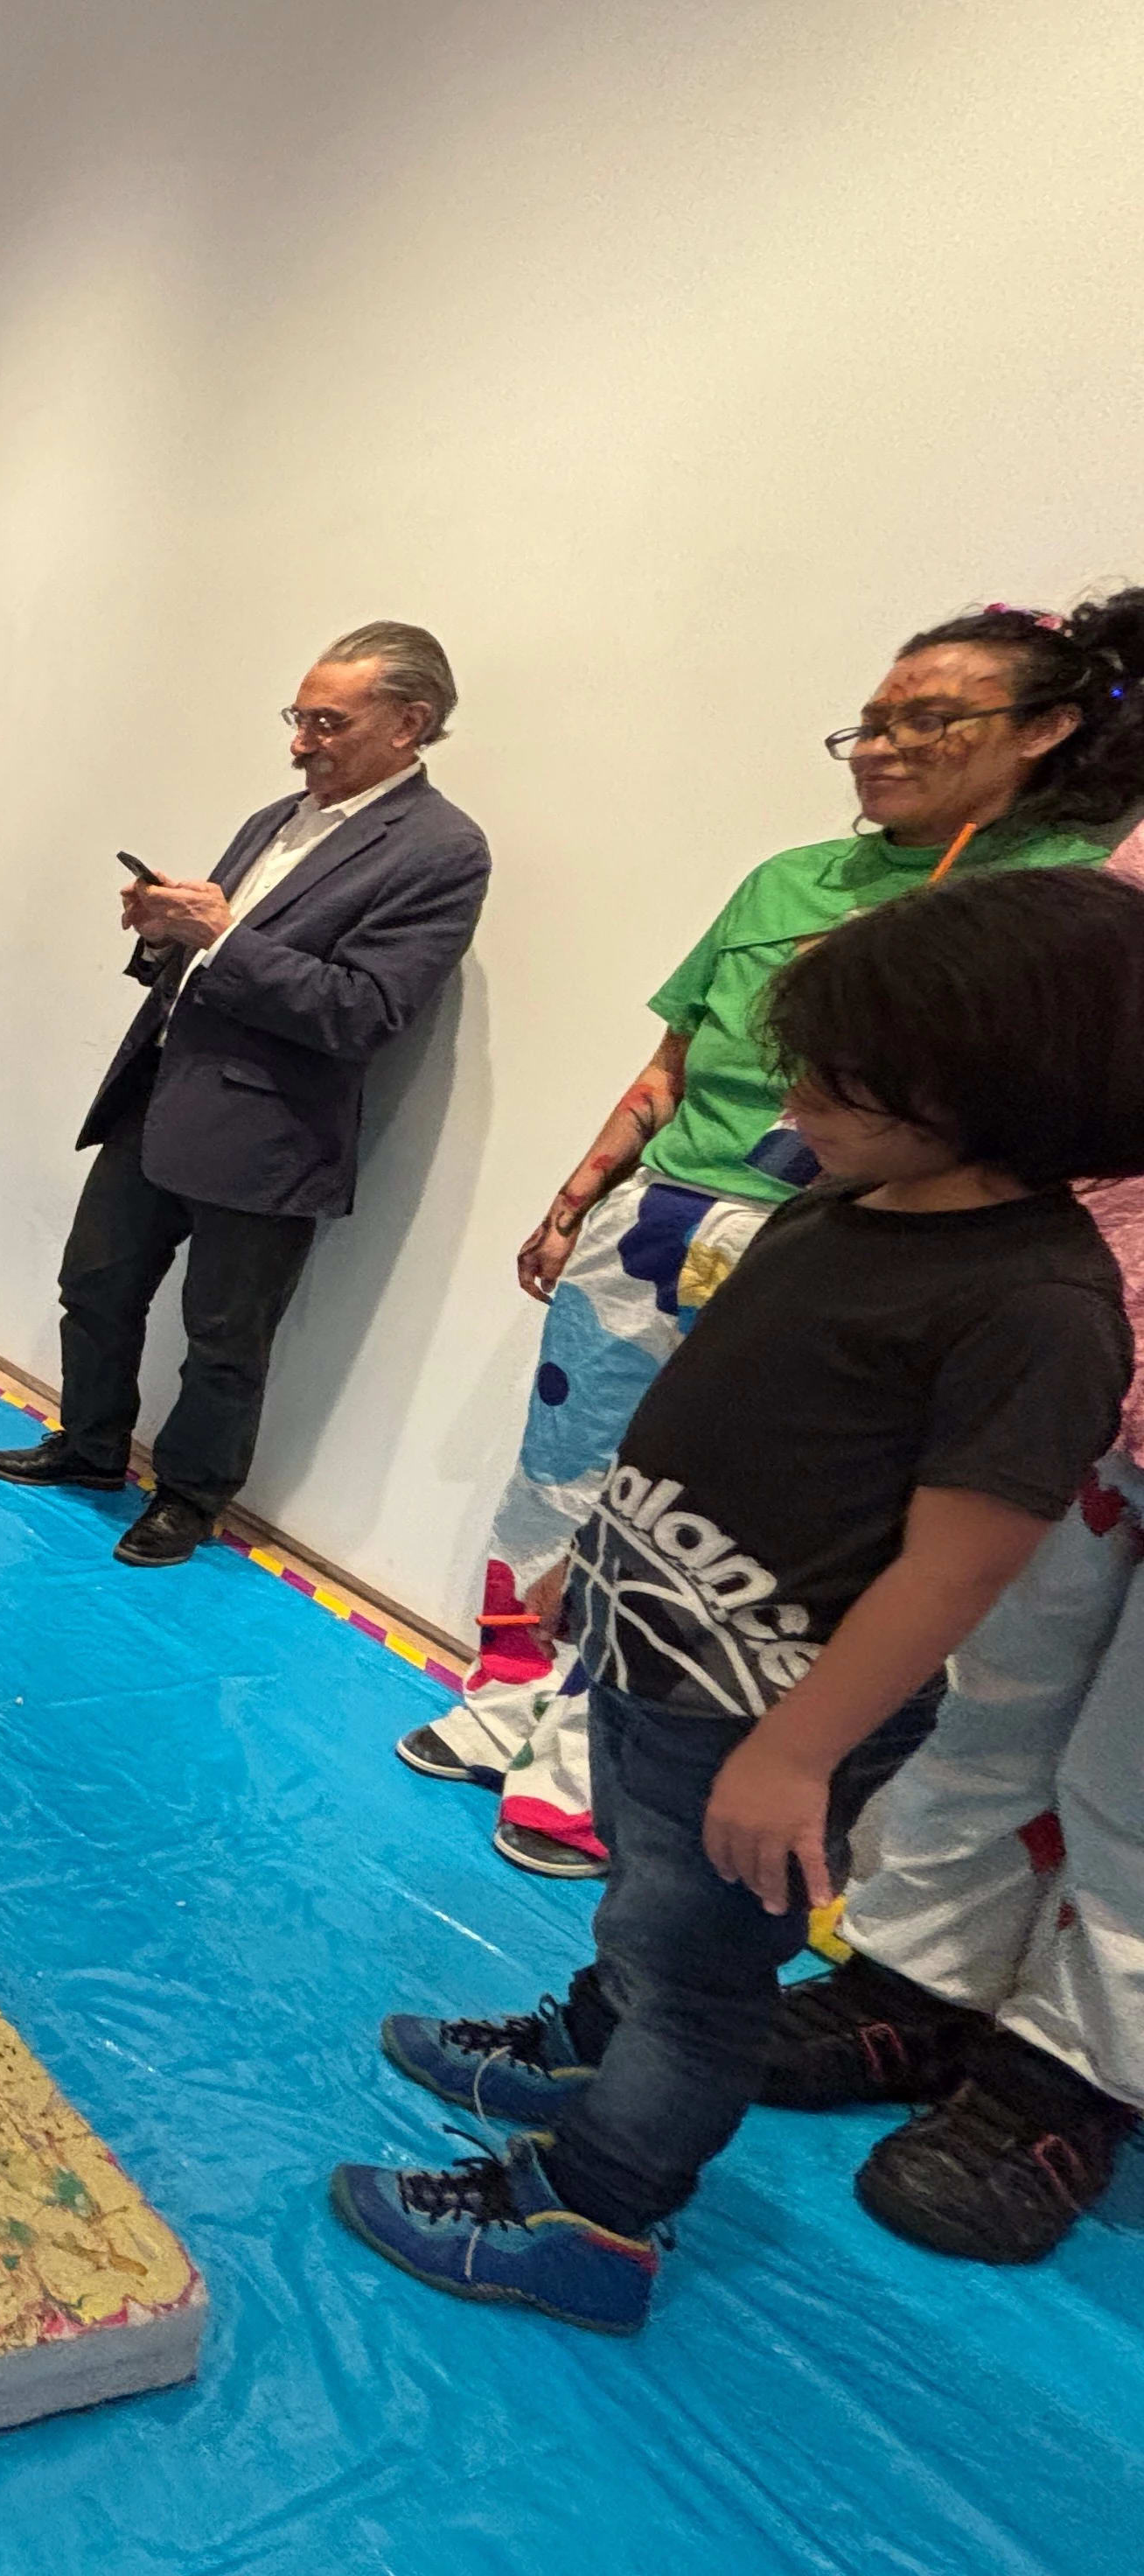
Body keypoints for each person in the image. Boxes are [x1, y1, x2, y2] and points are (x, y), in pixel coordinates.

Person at [333, 866, 1144, 2334]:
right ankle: (591, 2037)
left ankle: (595, 2208)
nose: (793, 1102)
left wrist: (797, 1750)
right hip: (666, 1651)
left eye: (839, 1079)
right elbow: (720, 1404)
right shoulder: (848, 1201)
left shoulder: (1035, 1305)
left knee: (703, 1977)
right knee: (648, 1908)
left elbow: (960, 1561)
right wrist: (606, 1559)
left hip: (768, 1709)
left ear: (994, 1088)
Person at [405, 595, 1144, 1878]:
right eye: (867, 721)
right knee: (571, 1472)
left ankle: (594, 1764)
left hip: (829, 1246)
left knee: (720, 1520)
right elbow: (679, 1054)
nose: (880, 745)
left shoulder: (1061, 904)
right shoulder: (788, 879)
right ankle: (508, 1703)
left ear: (1050, 729)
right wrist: (583, 1191)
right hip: (662, 1220)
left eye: (928, 719)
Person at [751, 820, 1144, 2265]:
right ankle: (912, 1978)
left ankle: (1068, 2073)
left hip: (1071, 1321)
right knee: (987, 1698)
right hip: (1090, 1345)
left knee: (1133, 1782)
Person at [0, 624, 489, 1565]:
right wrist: (164, 928)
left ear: (409, 723)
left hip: (272, 1135)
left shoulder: (442, 850)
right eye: (299, 716)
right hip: (160, 1095)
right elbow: (214, 958)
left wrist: (221, 935)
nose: (300, 740)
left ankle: (190, 1497)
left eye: (327, 721)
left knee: (224, 1336)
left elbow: (365, 1012)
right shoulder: (276, 818)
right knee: (93, 1286)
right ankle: (90, 1449)